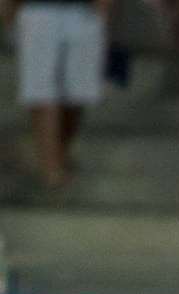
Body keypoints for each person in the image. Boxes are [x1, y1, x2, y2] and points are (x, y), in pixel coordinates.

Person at [8, 0, 107, 187]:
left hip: (83, 10)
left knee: (79, 92)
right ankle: (51, 168)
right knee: (41, 90)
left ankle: (61, 149)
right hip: (37, 8)